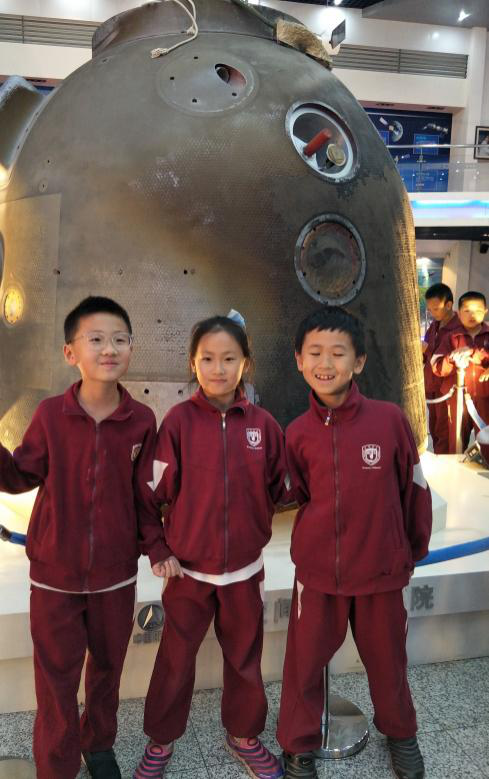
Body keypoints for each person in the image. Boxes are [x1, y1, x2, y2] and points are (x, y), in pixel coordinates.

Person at [0, 296, 170, 779]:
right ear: (71, 353)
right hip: (55, 579)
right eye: (96, 339)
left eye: (120, 339)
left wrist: (156, 546)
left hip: (114, 576)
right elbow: (21, 472)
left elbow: (143, 495)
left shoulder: (141, 421)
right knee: (55, 680)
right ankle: (57, 766)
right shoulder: (50, 415)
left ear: (131, 348)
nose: (109, 349)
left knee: (107, 669)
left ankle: (98, 744)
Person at [277, 306, 432, 779]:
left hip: (381, 570)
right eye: (315, 352)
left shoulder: (389, 421)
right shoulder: (296, 433)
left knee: (388, 663)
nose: (326, 362)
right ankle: (298, 745)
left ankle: (401, 734)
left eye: (338, 352)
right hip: (318, 573)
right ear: (299, 360)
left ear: (359, 361)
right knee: (304, 665)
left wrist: (410, 550)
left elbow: (413, 488)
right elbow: (299, 495)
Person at [134, 314, 289, 779]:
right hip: (188, 574)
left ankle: (244, 735)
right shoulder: (178, 424)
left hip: (244, 572)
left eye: (228, 359)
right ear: (192, 363)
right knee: (175, 661)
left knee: (244, 659)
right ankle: (161, 740)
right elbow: (149, 493)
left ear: (246, 363)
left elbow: (284, 488)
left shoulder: (264, 426)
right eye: (207, 359)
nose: (218, 369)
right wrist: (158, 549)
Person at [431, 291, 489, 453]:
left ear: (485, 311)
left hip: (485, 398)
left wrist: (473, 353)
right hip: (456, 398)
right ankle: (452, 467)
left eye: (478, 310)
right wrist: (451, 359)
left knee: (486, 438)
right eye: (467, 310)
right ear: (459, 312)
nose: (472, 315)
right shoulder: (451, 337)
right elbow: (436, 366)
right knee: (454, 440)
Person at [422, 283, 460, 453]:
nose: (432, 313)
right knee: (434, 428)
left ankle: (443, 463)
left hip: (447, 389)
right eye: (429, 309)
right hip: (431, 386)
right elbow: (426, 353)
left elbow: (446, 363)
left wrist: (427, 350)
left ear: (449, 305)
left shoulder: (459, 329)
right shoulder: (435, 325)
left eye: (435, 309)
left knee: (445, 431)